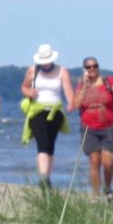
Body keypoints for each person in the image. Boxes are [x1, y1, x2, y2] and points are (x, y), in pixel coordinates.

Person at [73, 56, 113, 200]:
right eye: (89, 67)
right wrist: (85, 87)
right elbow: (76, 105)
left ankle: (108, 188)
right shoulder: (81, 85)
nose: (92, 69)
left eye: (95, 66)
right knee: (94, 162)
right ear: (84, 69)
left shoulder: (108, 81)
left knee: (108, 162)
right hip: (89, 128)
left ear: (98, 67)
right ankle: (95, 194)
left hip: (108, 127)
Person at [21, 43, 74, 188]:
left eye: (47, 61)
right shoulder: (33, 70)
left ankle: (47, 177)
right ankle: (43, 176)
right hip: (38, 111)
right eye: (43, 61)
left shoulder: (62, 71)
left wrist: (71, 103)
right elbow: (24, 87)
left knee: (50, 145)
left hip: (55, 112)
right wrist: (29, 92)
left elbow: (68, 89)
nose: (45, 64)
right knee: (42, 143)